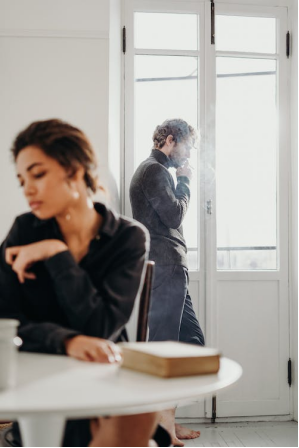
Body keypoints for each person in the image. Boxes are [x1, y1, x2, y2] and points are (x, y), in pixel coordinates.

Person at [0, 119, 170, 448]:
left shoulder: (128, 238)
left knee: (136, 415)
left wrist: (56, 253)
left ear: (75, 171)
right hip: (38, 375)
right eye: (22, 180)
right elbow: (4, 324)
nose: (28, 189)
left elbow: (101, 326)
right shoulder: (24, 231)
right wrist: (66, 341)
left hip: (104, 376)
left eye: (37, 174)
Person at [130, 119, 205, 447]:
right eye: (188, 145)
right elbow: (174, 215)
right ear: (171, 140)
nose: (188, 154)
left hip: (170, 269)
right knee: (166, 349)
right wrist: (186, 182)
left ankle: (166, 423)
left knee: (191, 342)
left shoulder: (153, 171)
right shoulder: (154, 170)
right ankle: (161, 430)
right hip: (165, 268)